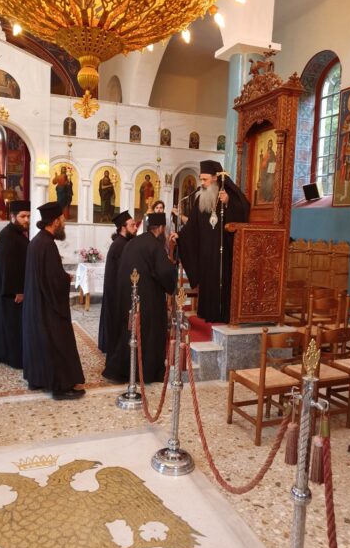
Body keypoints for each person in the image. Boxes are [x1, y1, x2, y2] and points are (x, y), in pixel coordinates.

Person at [171, 160, 250, 323]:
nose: (202, 183)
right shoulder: (200, 199)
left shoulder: (228, 195)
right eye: (201, 179)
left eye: (205, 179)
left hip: (224, 251)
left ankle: (223, 314)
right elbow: (193, 225)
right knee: (207, 281)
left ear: (215, 178)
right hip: (206, 251)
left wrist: (228, 203)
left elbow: (244, 210)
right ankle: (207, 312)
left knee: (222, 281)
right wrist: (180, 236)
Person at [103, 212, 177, 384]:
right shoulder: (155, 245)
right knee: (148, 335)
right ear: (161, 228)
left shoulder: (133, 242)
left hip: (128, 296)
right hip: (148, 299)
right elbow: (165, 272)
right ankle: (147, 373)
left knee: (130, 333)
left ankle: (124, 370)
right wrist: (172, 273)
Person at [22, 201, 85, 400]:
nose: (64, 223)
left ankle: (38, 379)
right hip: (48, 306)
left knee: (39, 342)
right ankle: (61, 387)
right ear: (55, 221)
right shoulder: (47, 244)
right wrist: (66, 278)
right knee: (57, 342)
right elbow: (53, 280)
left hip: (36, 303)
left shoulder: (36, 241)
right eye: (63, 220)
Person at [0, 200, 31, 369]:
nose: (26, 220)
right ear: (12, 216)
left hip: (13, 288)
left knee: (10, 323)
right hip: (11, 291)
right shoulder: (8, 236)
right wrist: (18, 291)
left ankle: (7, 353)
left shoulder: (16, 233)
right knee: (11, 324)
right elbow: (7, 267)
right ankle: (14, 358)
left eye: (28, 216)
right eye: (23, 216)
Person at [98, 210, 137, 354]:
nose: (136, 228)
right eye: (132, 225)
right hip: (116, 292)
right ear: (123, 228)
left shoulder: (124, 242)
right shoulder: (120, 245)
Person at [258, 139, 276, 203]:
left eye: (270, 144)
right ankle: (264, 198)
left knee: (269, 184)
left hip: (270, 172)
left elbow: (273, 162)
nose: (269, 145)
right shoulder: (266, 152)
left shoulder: (272, 153)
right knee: (263, 183)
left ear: (272, 145)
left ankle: (268, 198)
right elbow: (263, 162)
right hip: (265, 172)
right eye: (269, 144)